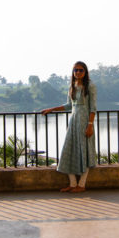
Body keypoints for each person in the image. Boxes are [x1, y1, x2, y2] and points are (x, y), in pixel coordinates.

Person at [41, 61, 97, 192]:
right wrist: (51, 109)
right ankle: (72, 184)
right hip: (73, 122)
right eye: (76, 70)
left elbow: (93, 108)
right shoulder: (72, 86)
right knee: (68, 151)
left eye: (80, 70)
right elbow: (68, 105)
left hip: (84, 122)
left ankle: (81, 185)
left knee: (85, 152)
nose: (78, 72)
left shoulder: (90, 86)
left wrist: (90, 125)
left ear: (85, 72)